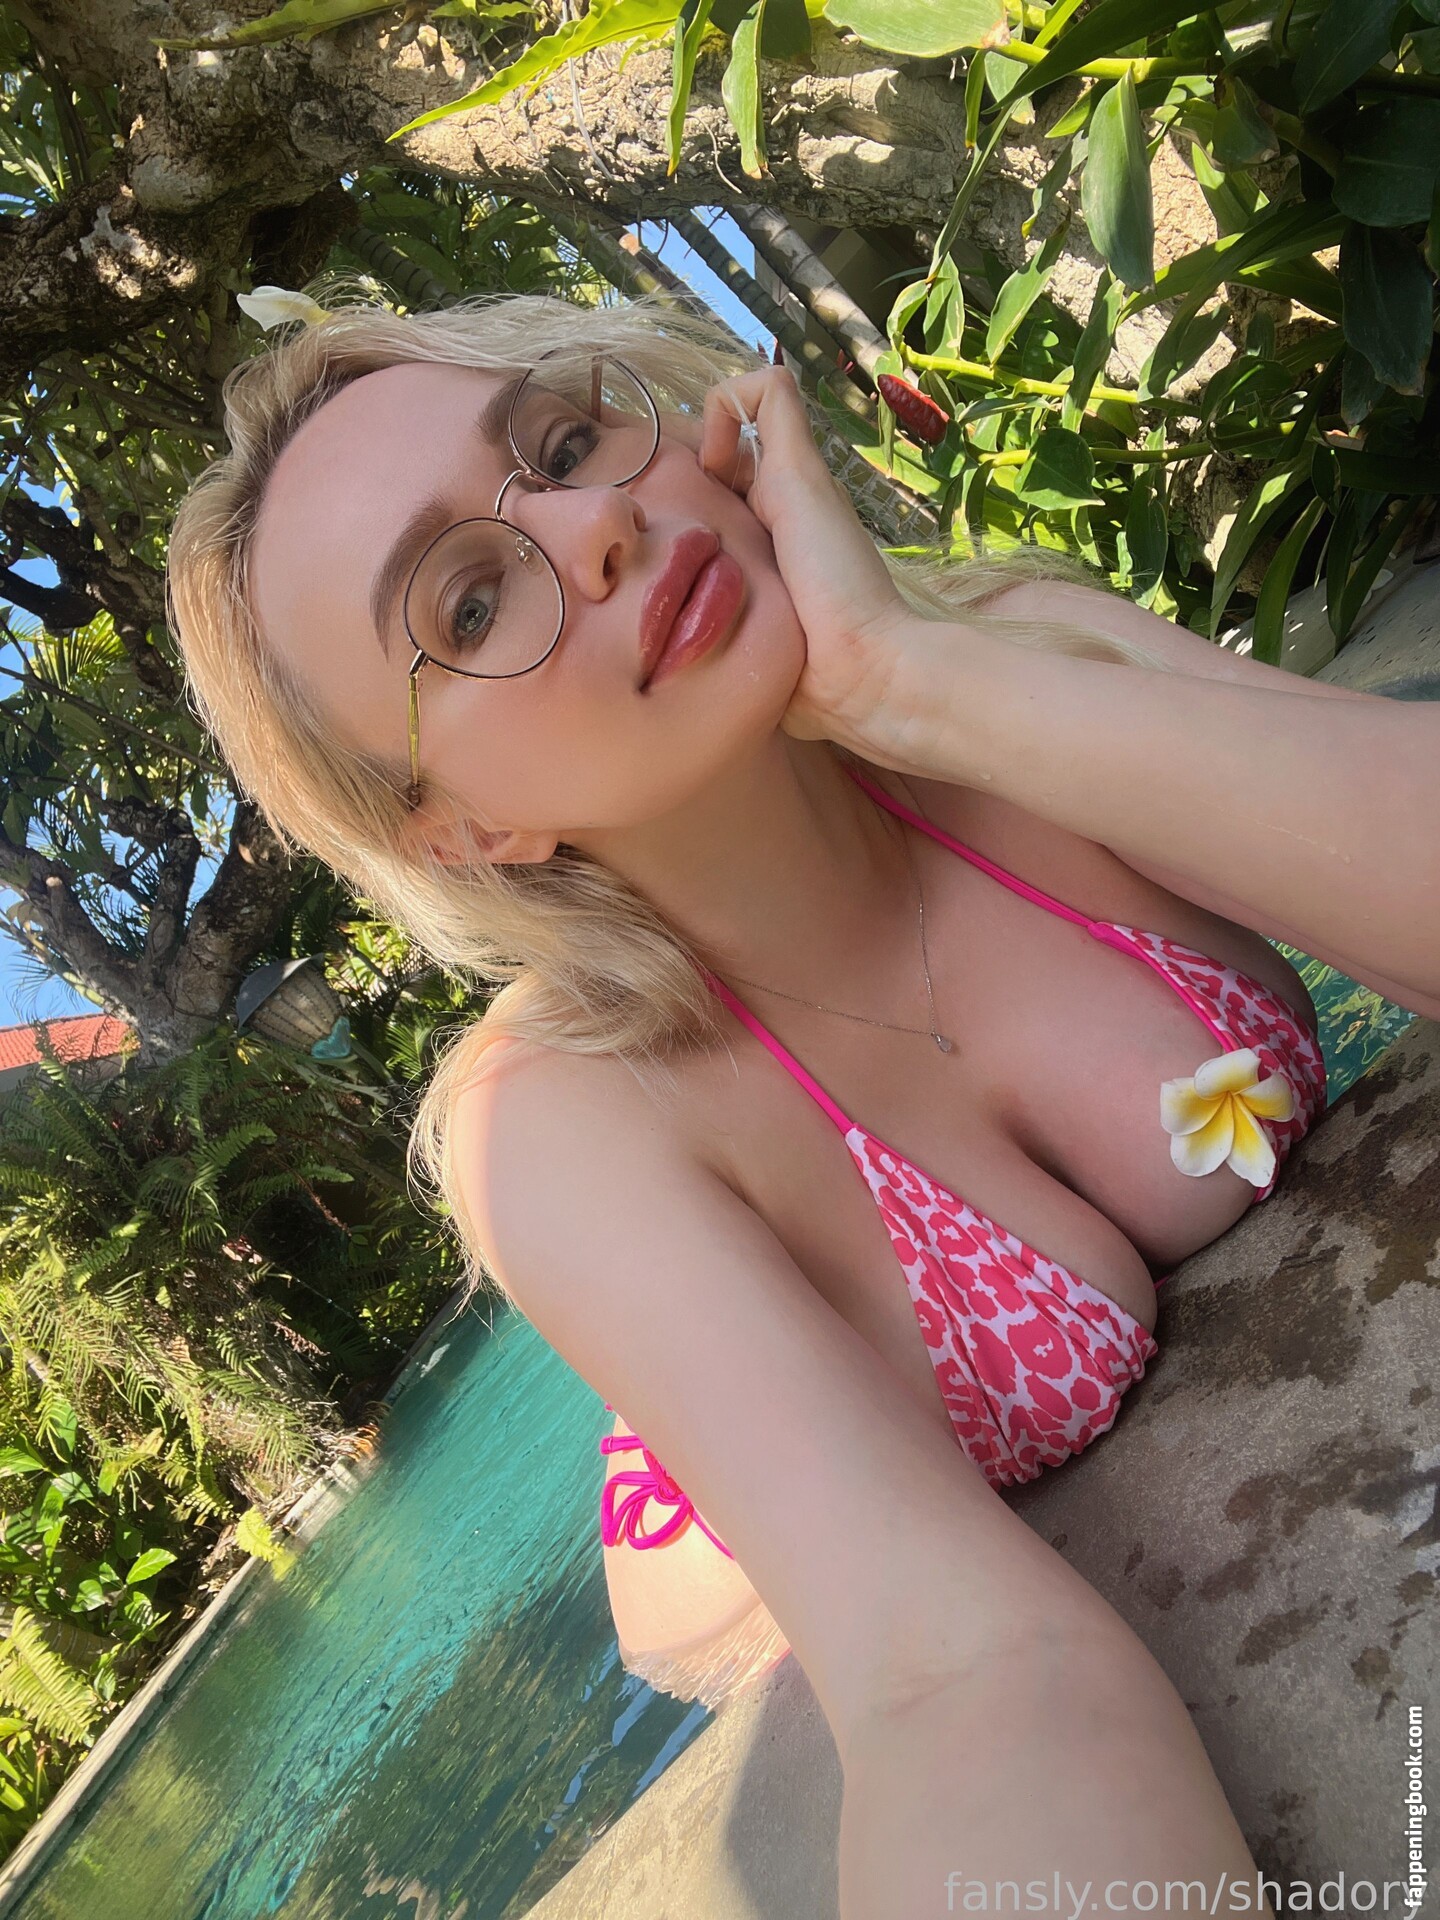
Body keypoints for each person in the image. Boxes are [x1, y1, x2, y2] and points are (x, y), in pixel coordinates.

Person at [165, 280, 1439, 1914]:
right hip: (711, 1500)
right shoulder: (561, 1117)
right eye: (471, 606)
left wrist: (914, 684)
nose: (594, 529)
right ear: (465, 829)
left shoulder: (1012, 648)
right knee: (728, 1537)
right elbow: (948, 1676)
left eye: (565, 443)